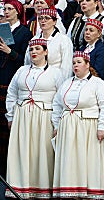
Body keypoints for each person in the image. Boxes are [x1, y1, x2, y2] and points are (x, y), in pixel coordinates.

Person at [5, 39, 63, 198]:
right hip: (23, 117)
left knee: (42, 152)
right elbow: (12, 94)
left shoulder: (55, 73)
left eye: (37, 49)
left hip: (44, 118)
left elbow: (60, 99)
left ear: (46, 52)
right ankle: (20, 188)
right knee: (22, 151)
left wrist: (57, 123)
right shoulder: (21, 71)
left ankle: (41, 190)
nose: (33, 52)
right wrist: (11, 116)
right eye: (31, 49)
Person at [52, 51, 104, 199]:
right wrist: (57, 125)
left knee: (87, 159)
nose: (75, 65)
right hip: (68, 126)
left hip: (88, 126)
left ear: (87, 64)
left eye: (79, 62)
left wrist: (101, 126)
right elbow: (57, 104)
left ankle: (89, 193)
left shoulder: (98, 83)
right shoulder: (67, 83)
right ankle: (70, 191)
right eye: (73, 63)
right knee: (70, 158)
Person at [0, 0, 32, 178]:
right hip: (1, 76)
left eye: (10, 9)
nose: (6, 11)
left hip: (12, 78)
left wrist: (9, 51)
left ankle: (7, 168)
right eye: (5, 8)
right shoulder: (2, 30)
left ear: (18, 11)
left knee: (7, 124)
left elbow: (24, 60)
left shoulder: (24, 32)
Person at [25, 8, 73, 79]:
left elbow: (67, 66)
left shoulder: (63, 40)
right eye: (40, 18)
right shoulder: (34, 39)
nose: (43, 21)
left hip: (55, 80)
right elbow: (27, 62)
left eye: (47, 18)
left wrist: (62, 85)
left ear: (54, 21)